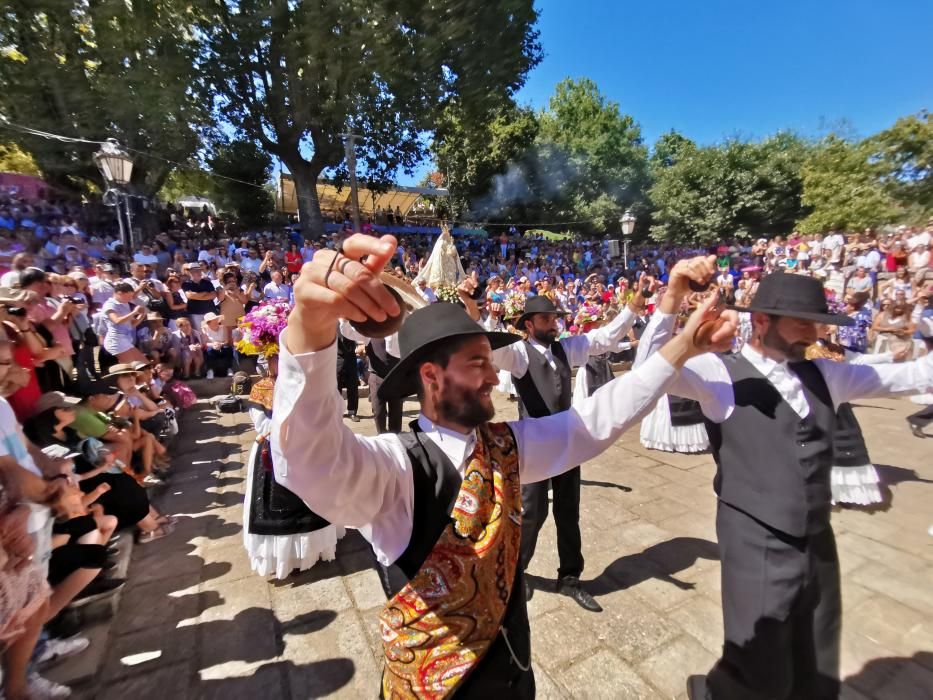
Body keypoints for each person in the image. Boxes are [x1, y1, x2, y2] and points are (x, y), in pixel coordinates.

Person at [269, 234, 734, 697]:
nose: (494, 375)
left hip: (515, 676)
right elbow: (312, 462)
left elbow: (592, 422)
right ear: (431, 376)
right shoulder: (394, 469)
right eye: (477, 363)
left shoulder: (508, 447)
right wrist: (309, 328)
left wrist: (682, 347)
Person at [633, 260, 933, 700]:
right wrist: (672, 299)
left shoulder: (826, 374)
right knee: (760, 665)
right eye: (801, 324)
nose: (813, 334)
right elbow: (648, 374)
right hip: (754, 537)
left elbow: (908, 377)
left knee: (815, 651)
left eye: (816, 323)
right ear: (761, 321)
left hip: (816, 537)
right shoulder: (720, 374)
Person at [490, 291, 643, 612]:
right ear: (528, 325)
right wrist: (488, 317)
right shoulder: (518, 354)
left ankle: (569, 578)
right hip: (533, 448)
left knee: (568, 511)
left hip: (567, 443)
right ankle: (516, 573)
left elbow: (603, 339)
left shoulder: (566, 348)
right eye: (546, 319)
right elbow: (490, 350)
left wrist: (630, 309)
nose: (553, 323)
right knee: (531, 513)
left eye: (554, 318)